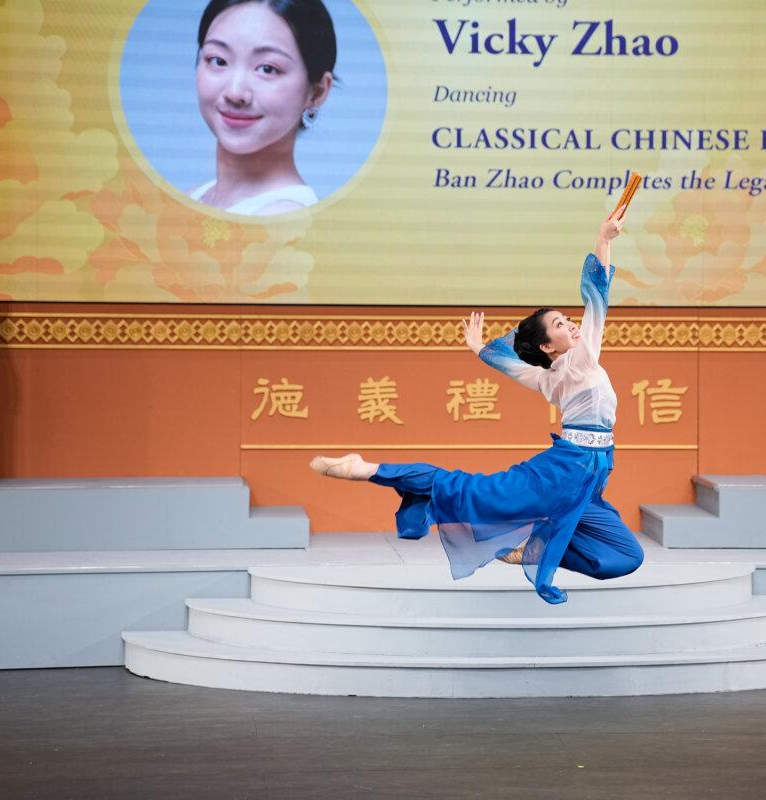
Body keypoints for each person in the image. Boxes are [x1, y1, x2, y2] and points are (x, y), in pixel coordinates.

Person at [310, 208, 644, 604]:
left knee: (626, 556)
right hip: (563, 473)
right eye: (560, 325)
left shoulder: (548, 378)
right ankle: (370, 469)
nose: (572, 325)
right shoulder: (578, 360)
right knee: (471, 490)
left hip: (589, 478)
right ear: (547, 347)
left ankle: (534, 546)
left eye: (568, 319)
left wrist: (480, 349)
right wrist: (603, 240)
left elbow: (512, 367)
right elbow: (596, 299)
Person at [189, 0, 336, 215]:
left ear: (317, 92)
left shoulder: (282, 217)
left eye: (268, 69)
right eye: (218, 61)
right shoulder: (193, 197)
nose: (235, 93)